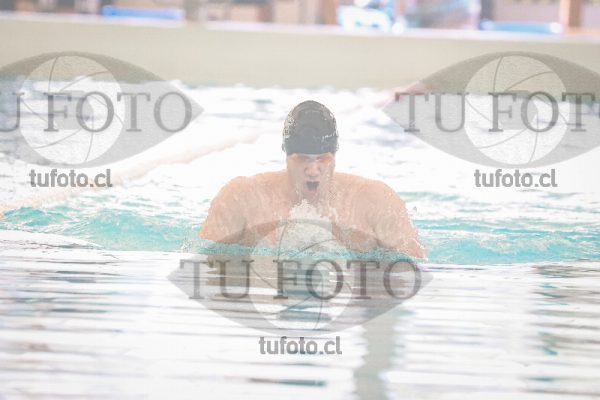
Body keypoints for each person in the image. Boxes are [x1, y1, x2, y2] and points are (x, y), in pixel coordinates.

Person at [199, 100, 425, 259]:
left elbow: (412, 267)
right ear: (287, 155)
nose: (313, 170)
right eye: (303, 159)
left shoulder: (376, 202)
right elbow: (204, 263)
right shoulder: (242, 199)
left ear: (334, 154)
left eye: (322, 159)